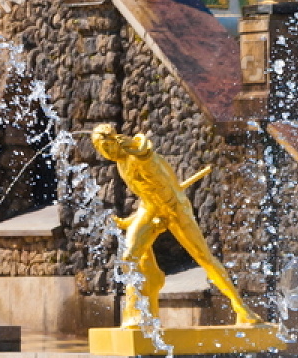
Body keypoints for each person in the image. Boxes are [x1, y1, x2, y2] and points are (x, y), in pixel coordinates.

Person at [91, 125, 257, 327]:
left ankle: (241, 307)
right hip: (151, 209)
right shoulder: (121, 164)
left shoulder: (136, 157)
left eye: (108, 146)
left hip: (175, 209)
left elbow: (148, 159)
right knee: (129, 257)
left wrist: (140, 150)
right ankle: (141, 311)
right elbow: (147, 195)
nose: (106, 152)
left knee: (205, 258)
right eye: (101, 149)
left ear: (116, 141)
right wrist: (132, 220)